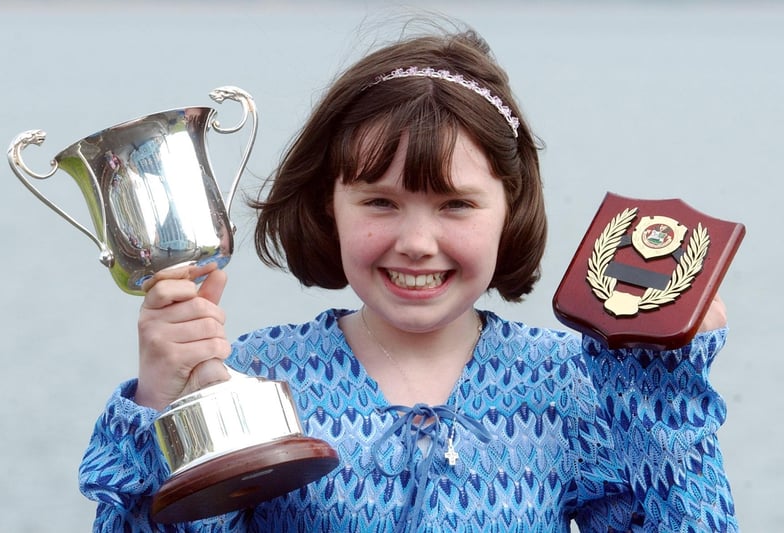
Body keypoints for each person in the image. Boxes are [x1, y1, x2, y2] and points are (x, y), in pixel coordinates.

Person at [79, 23, 738, 532]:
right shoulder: (254, 377)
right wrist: (165, 401)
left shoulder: (570, 385)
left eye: (456, 204)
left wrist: (662, 390)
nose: (417, 243)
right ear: (326, 205)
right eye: (380, 202)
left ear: (511, 209)